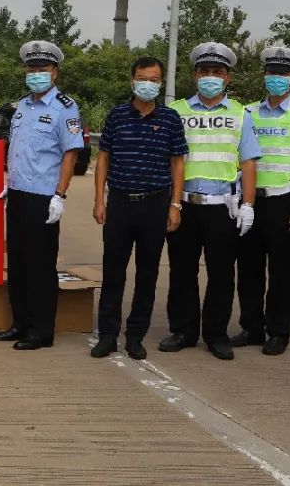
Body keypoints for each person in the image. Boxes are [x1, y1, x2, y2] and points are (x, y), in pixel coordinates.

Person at [160, 42, 261, 361]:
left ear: (227, 78)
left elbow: (248, 163)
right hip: (184, 205)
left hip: (223, 207)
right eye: (204, 72)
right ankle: (182, 331)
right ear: (194, 75)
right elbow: (167, 159)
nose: (210, 77)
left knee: (221, 274)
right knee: (181, 271)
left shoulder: (240, 114)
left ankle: (216, 334)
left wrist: (248, 204)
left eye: (217, 72)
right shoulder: (177, 111)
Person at [91, 56, 187, 360]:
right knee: (113, 271)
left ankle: (135, 336)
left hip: (155, 204)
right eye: (143, 78)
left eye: (154, 79)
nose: (148, 84)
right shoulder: (117, 116)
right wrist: (99, 200)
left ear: (161, 83)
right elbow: (104, 157)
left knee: (147, 273)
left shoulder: (170, 119)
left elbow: (177, 163)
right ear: (132, 80)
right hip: (119, 202)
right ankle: (107, 335)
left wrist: (175, 204)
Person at [0, 40, 84, 350]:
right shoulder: (22, 107)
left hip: (44, 198)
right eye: (32, 68)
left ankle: (42, 331)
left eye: (42, 69)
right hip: (17, 195)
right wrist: (7, 176)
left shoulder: (65, 109)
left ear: (54, 73)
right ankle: (20, 323)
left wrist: (61, 195)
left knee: (40, 266)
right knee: (17, 263)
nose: (36, 74)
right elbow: (15, 148)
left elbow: (70, 154)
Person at [232, 47, 290, 356]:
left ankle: (278, 331)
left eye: (283, 74)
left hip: (284, 201)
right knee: (248, 266)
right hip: (250, 201)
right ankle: (252, 328)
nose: (276, 79)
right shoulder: (248, 113)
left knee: (281, 269)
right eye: (271, 73)